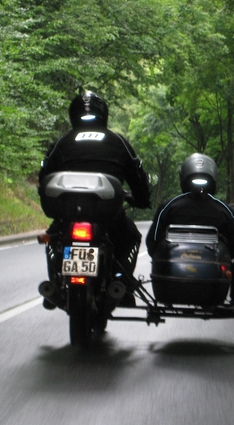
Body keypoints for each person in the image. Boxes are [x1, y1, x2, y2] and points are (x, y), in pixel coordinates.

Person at [39, 90, 151, 306]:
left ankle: (54, 281)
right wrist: (141, 198)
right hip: (106, 213)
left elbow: (44, 176)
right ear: (104, 114)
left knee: (52, 237)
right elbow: (137, 175)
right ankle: (121, 282)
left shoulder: (62, 142)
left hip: (68, 212)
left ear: (73, 114)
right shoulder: (118, 141)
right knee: (131, 237)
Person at [146, 153, 234, 259]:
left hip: (174, 264)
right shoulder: (226, 211)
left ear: (183, 182)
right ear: (214, 183)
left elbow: (153, 241)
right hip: (213, 266)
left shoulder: (168, 207)